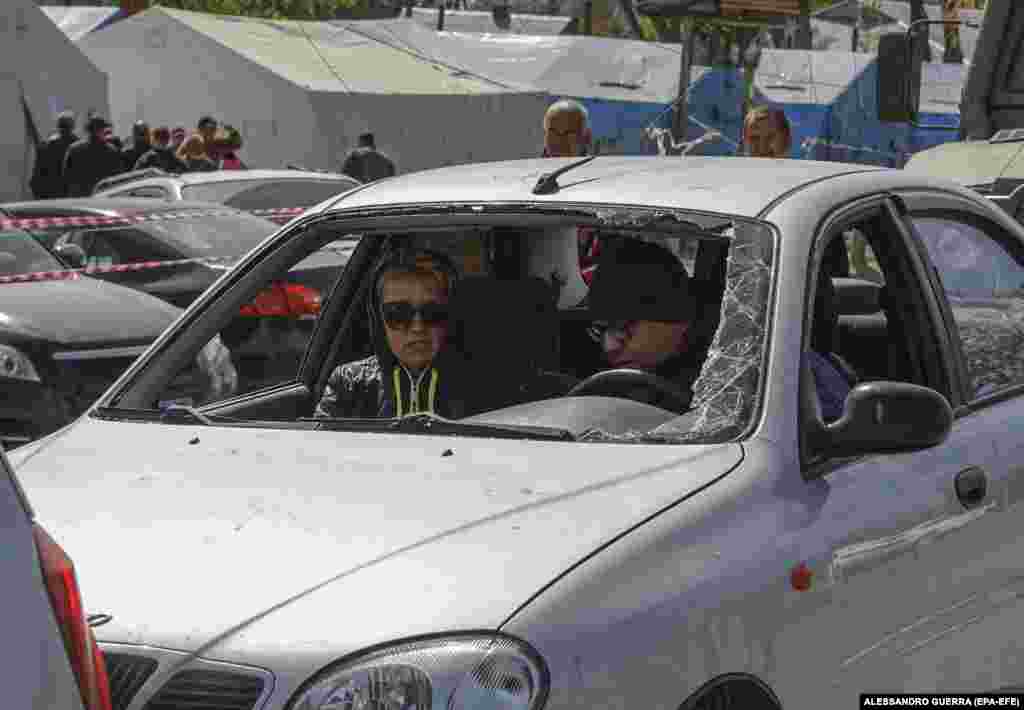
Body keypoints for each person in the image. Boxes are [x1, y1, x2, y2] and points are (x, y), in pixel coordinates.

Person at [314, 248, 473, 419]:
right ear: (379, 319)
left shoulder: (478, 383)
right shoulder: (349, 382)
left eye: (432, 312)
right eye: (398, 313)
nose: (417, 327)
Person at [585, 239, 704, 412]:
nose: (608, 347)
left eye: (622, 329)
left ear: (678, 325)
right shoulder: (583, 371)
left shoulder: (715, 383)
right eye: (598, 331)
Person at [542, 100, 599, 283]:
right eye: (553, 133)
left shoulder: (601, 185)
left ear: (586, 137)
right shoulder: (526, 182)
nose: (559, 142)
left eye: (568, 134)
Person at [63, 115, 125, 197]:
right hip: (104, 195)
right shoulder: (111, 150)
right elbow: (119, 176)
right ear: (101, 131)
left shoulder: (73, 149)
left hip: (80, 197)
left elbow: (66, 175)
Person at [30, 111, 78, 199]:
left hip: (52, 194)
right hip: (71, 195)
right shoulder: (78, 145)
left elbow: (36, 177)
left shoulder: (47, 145)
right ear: (72, 127)